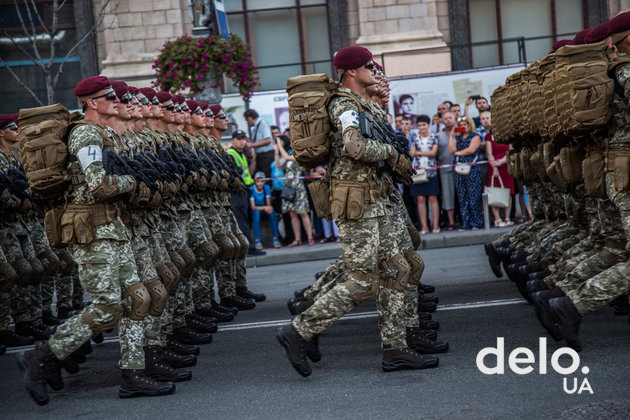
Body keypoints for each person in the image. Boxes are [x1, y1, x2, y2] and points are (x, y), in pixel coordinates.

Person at [275, 45, 437, 377]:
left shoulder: (361, 103)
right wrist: (392, 155)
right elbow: (355, 146)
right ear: (351, 72)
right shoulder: (344, 104)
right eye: (368, 66)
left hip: (375, 198)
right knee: (364, 281)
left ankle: (396, 349)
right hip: (357, 203)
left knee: (399, 269)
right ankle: (300, 329)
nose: (373, 70)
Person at [17, 76, 175, 405]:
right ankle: (44, 355)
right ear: (92, 103)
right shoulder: (86, 133)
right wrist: (130, 182)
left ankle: (134, 373)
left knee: (138, 299)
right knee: (107, 307)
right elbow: (98, 185)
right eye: (109, 97)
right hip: (91, 232)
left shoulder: (103, 133)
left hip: (112, 229)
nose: (116, 101)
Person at [227, 130, 266, 257]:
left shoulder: (241, 154)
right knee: (241, 221)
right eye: (239, 139)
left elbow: (247, 173)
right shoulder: (230, 154)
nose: (243, 141)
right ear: (233, 140)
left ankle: (251, 246)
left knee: (246, 220)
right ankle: (248, 248)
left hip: (244, 191)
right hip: (237, 193)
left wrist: (253, 159)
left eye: (244, 139)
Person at [274, 134, 314, 247]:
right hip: (289, 186)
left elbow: (286, 158)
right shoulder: (288, 153)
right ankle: (297, 239)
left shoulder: (300, 154)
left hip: (298, 186)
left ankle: (310, 237)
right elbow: (277, 164)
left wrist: (278, 146)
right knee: (292, 214)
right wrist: (276, 151)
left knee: (303, 213)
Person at [449, 116, 483, 230]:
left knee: (474, 195)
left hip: (472, 168)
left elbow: (471, 150)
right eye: (461, 124)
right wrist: (451, 136)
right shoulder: (457, 138)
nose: (463, 126)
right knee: (462, 196)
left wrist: (458, 153)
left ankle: (476, 222)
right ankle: (466, 222)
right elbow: (451, 150)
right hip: (458, 169)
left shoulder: (475, 136)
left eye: (465, 124)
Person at [409, 115, 440, 234]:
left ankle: (435, 225)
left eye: (424, 125)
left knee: (432, 197)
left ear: (429, 125)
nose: (422, 127)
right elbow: (411, 153)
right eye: (420, 125)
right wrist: (420, 153)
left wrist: (419, 153)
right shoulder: (414, 137)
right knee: (420, 199)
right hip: (418, 171)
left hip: (431, 170)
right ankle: (424, 226)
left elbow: (433, 152)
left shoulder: (434, 136)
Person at [486, 122, 514, 227]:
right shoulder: (489, 137)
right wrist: (495, 166)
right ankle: (497, 219)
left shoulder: (507, 136)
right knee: (495, 192)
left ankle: (507, 217)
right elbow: (489, 153)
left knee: (508, 192)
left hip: (506, 166)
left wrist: (502, 162)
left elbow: (510, 150)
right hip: (494, 167)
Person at [249, 172, 282, 250]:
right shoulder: (251, 189)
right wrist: (265, 208)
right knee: (256, 214)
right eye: (258, 181)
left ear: (264, 182)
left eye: (262, 181)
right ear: (255, 181)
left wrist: (268, 208)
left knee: (272, 213)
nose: (260, 183)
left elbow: (268, 204)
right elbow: (253, 207)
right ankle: (257, 241)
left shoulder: (266, 188)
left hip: (264, 209)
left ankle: (275, 238)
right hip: (257, 209)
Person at [435, 111, 457, 230]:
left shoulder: (461, 132)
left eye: (450, 117)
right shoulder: (438, 135)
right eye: (445, 118)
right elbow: (436, 154)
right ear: (442, 121)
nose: (448, 120)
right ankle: (451, 221)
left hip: (462, 167)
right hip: (445, 167)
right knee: (447, 195)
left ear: (455, 118)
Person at [243, 109, 274, 180]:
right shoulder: (256, 127)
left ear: (250, 118)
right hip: (260, 156)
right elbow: (255, 143)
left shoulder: (263, 123)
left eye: (247, 121)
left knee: (266, 177)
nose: (247, 123)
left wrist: (251, 145)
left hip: (266, 156)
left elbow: (268, 140)